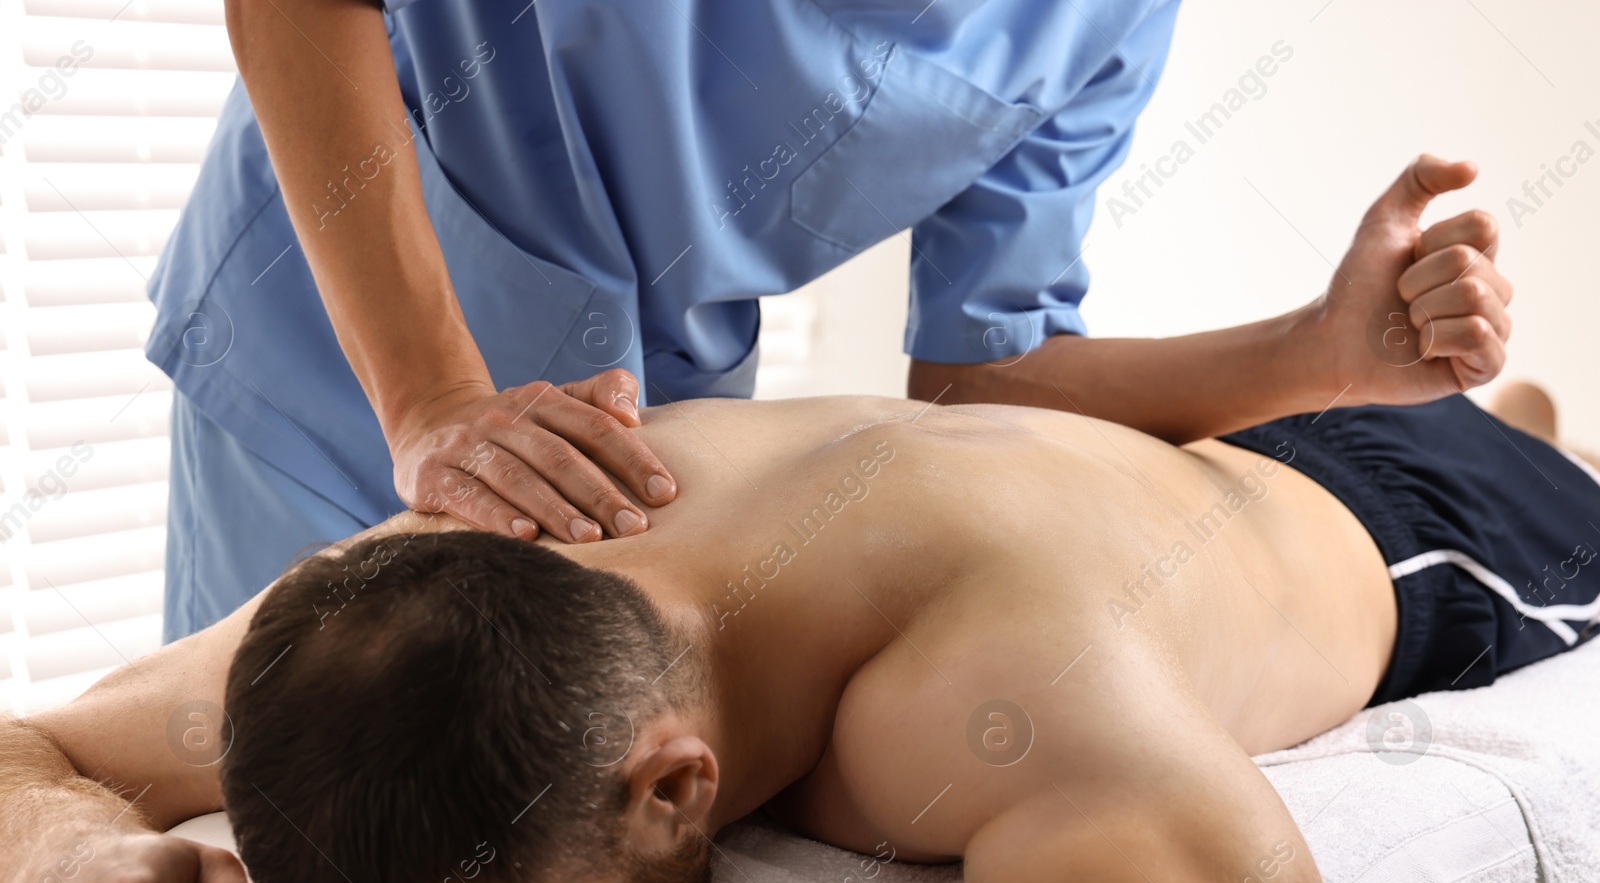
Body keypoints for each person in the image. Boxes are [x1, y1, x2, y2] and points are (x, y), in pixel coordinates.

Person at [4, 379, 1595, 883]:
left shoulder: (987, 679)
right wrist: (62, 847)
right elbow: (32, 749)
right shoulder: (401, 600)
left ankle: (1510, 424)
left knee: (1527, 455)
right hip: (1090, 464)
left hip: (1411, 532)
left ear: (675, 788)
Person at [152, 0, 1513, 641]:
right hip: (338, 346)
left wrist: (1321, 354)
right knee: (243, 849)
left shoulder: (1101, 25)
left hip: (639, 432)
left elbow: (986, 380)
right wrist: (429, 401)